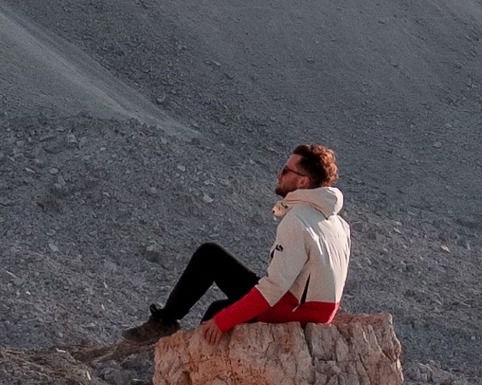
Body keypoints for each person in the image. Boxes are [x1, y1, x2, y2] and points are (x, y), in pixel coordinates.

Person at [118, 144, 350, 345]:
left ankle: (164, 324)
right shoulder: (338, 223)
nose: (279, 174)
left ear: (302, 181)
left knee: (209, 257)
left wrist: (224, 321)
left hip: (292, 310)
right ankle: (186, 375)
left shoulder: (297, 221)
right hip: (316, 312)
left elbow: (274, 287)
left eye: (285, 170)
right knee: (217, 310)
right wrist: (223, 317)